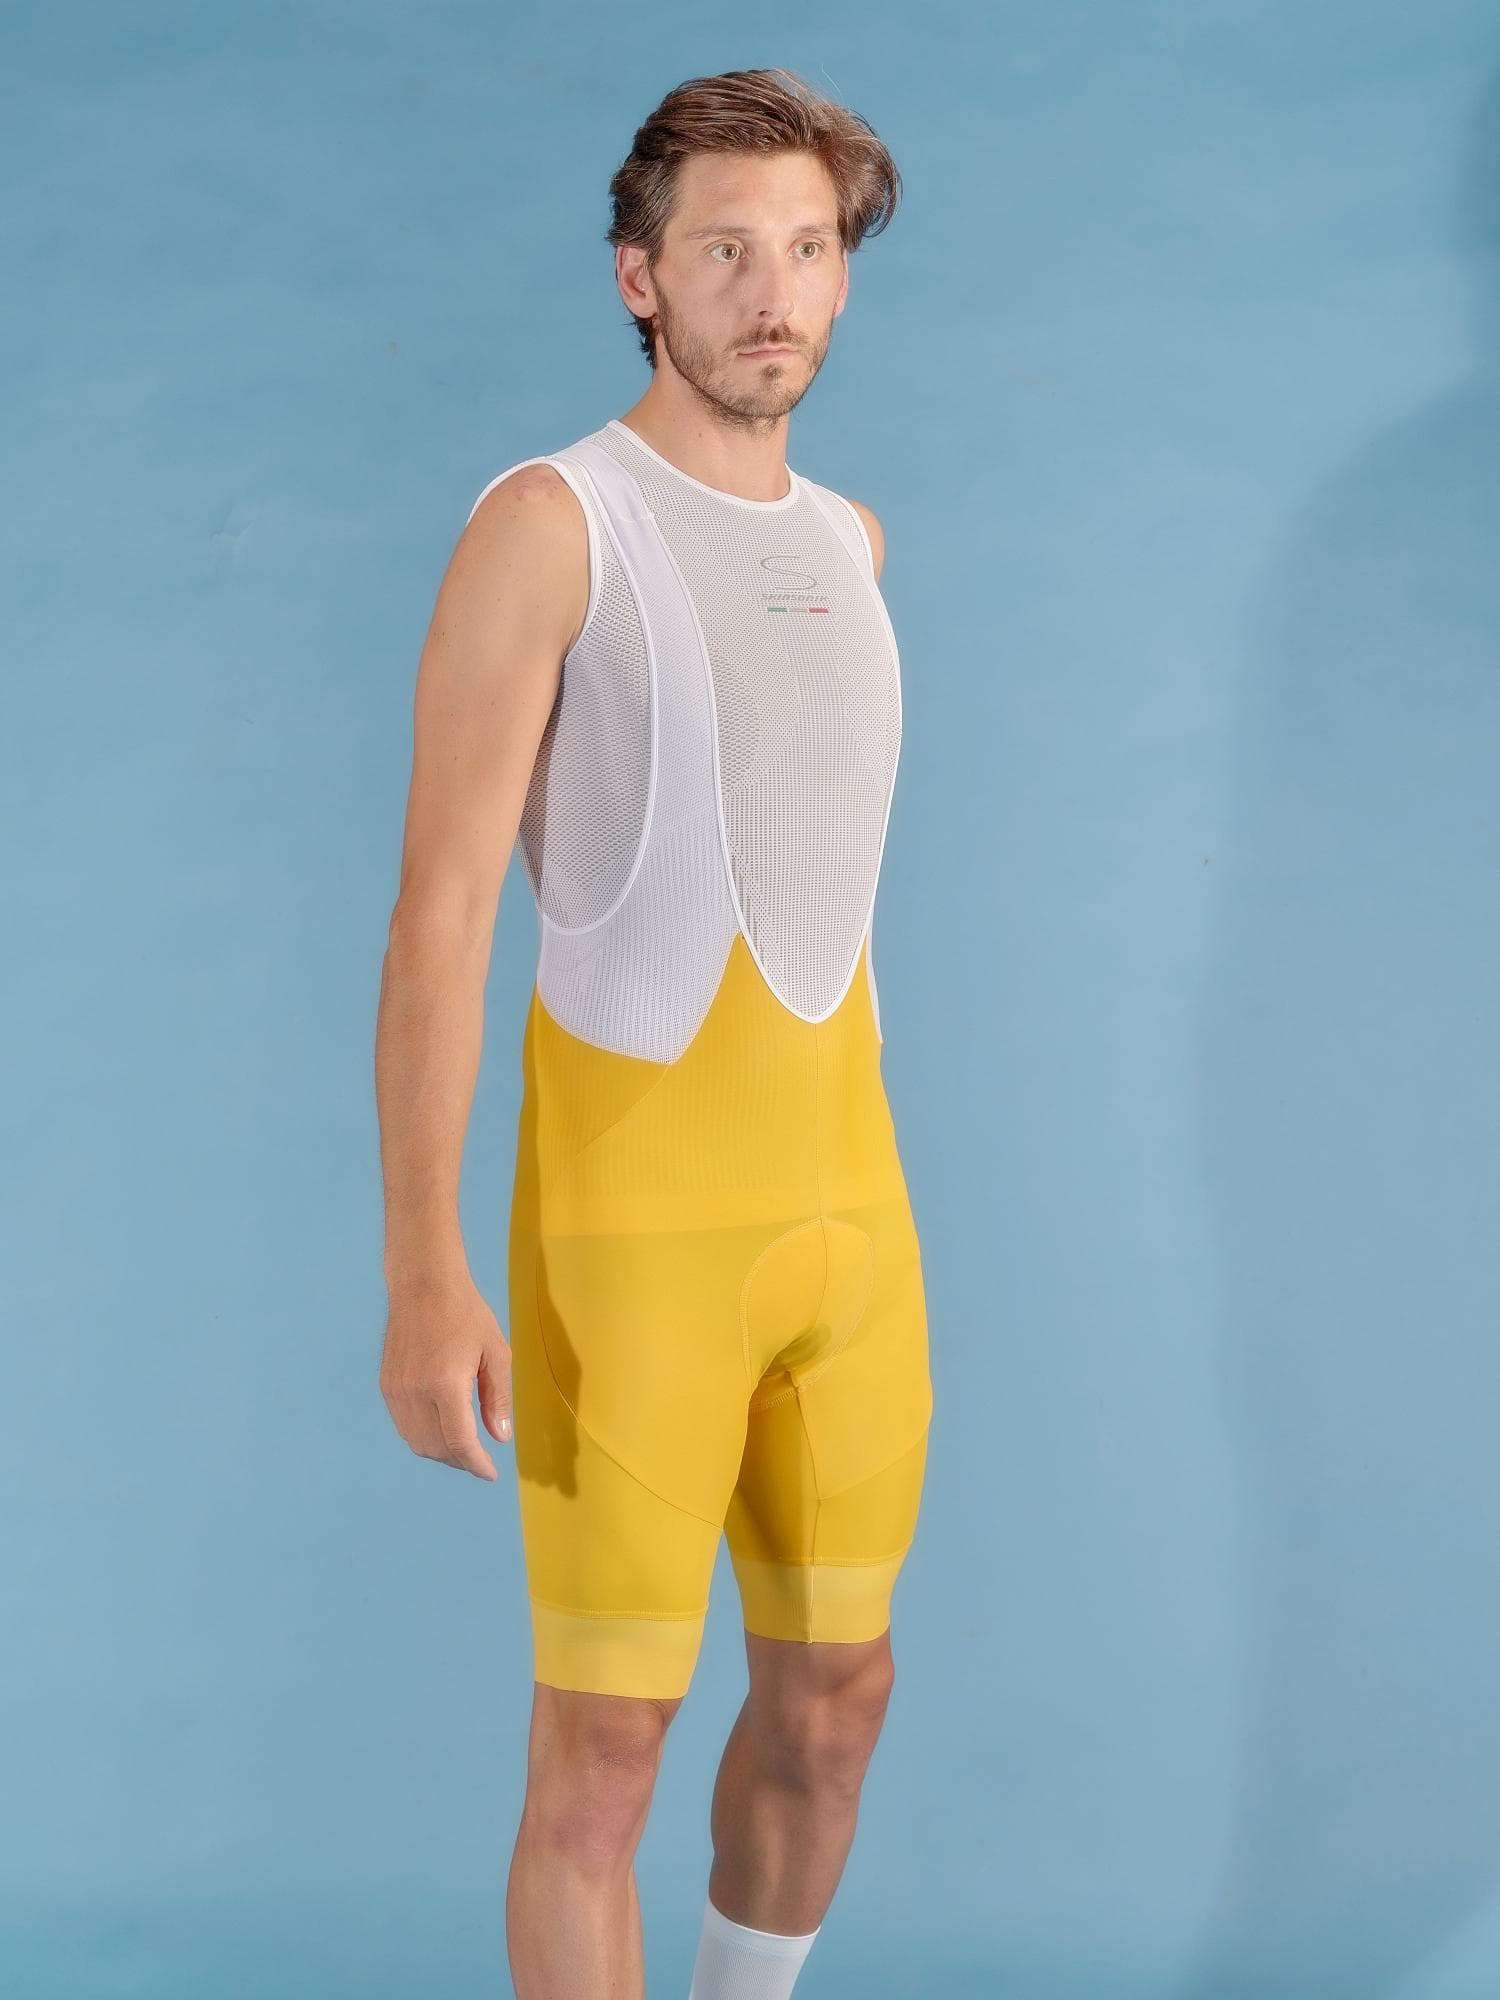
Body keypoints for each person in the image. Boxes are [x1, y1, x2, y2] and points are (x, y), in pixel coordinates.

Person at [374, 65, 933, 2000]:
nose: (773, 293)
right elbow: (441, 910)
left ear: (841, 277)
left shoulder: (852, 546)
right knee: (604, 1752)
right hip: (631, 1244)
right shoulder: (554, 525)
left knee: (839, 1704)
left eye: (808, 249)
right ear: (641, 276)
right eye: (725, 251)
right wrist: (425, 1269)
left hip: (849, 1232)